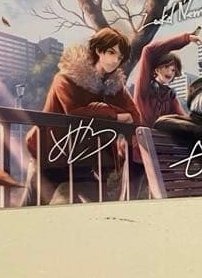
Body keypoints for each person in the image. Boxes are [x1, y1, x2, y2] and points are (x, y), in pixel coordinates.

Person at [23, 27, 141, 205]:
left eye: (120, 57)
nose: (115, 60)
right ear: (98, 50)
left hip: (83, 160)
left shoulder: (115, 86)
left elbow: (135, 116)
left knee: (103, 207)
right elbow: (76, 114)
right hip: (49, 156)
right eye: (111, 52)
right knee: (30, 208)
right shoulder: (66, 78)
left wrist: (105, 110)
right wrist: (115, 115)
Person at [132, 30, 202, 127]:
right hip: (142, 133)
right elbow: (148, 50)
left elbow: (181, 116)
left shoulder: (170, 94)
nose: (170, 72)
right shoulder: (145, 87)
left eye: (173, 70)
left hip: (162, 135)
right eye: (166, 67)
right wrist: (186, 38)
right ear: (157, 70)